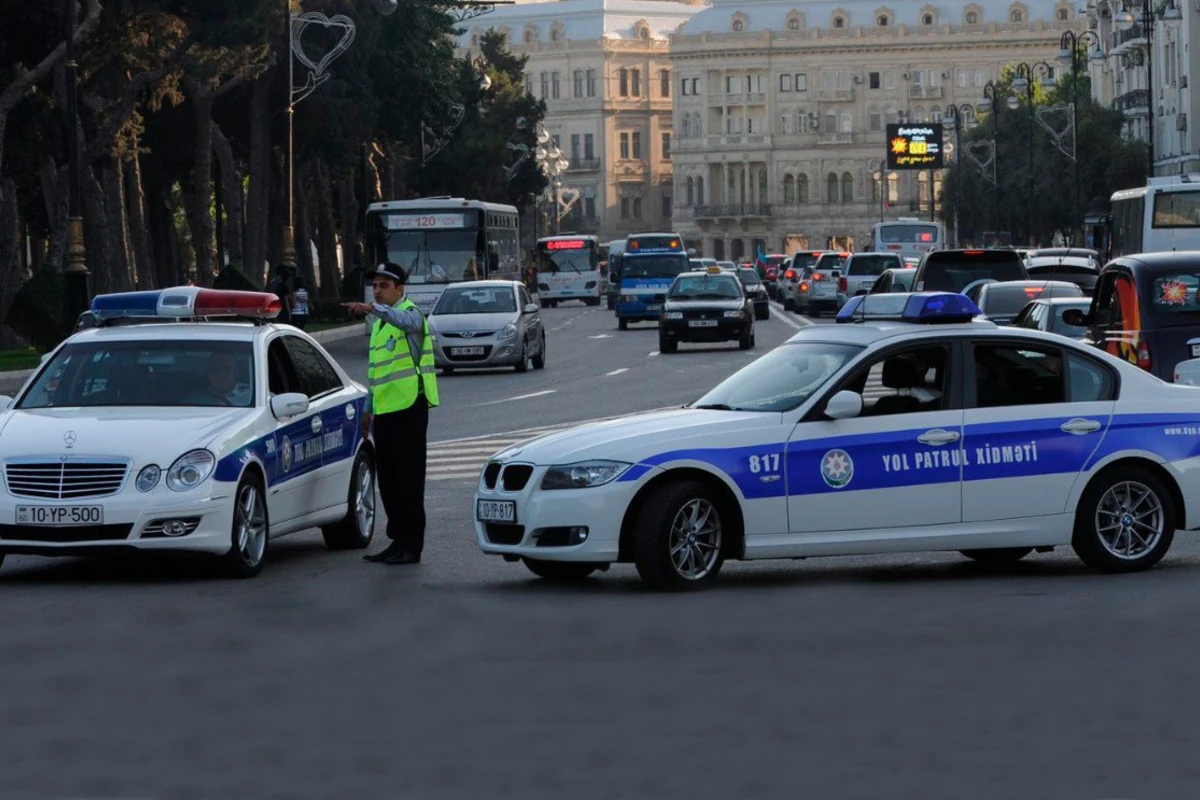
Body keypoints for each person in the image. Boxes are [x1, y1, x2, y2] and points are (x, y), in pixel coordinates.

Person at [341, 262, 439, 565]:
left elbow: (401, 320)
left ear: (400, 288)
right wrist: (369, 409)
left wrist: (371, 307)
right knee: (390, 481)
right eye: (375, 285)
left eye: (385, 285)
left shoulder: (411, 315)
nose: (378, 290)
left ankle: (412, 545)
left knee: (410, 481)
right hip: (386, 411)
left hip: (410, 407)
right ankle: (397, 541)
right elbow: (376, 373)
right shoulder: (380, 327)